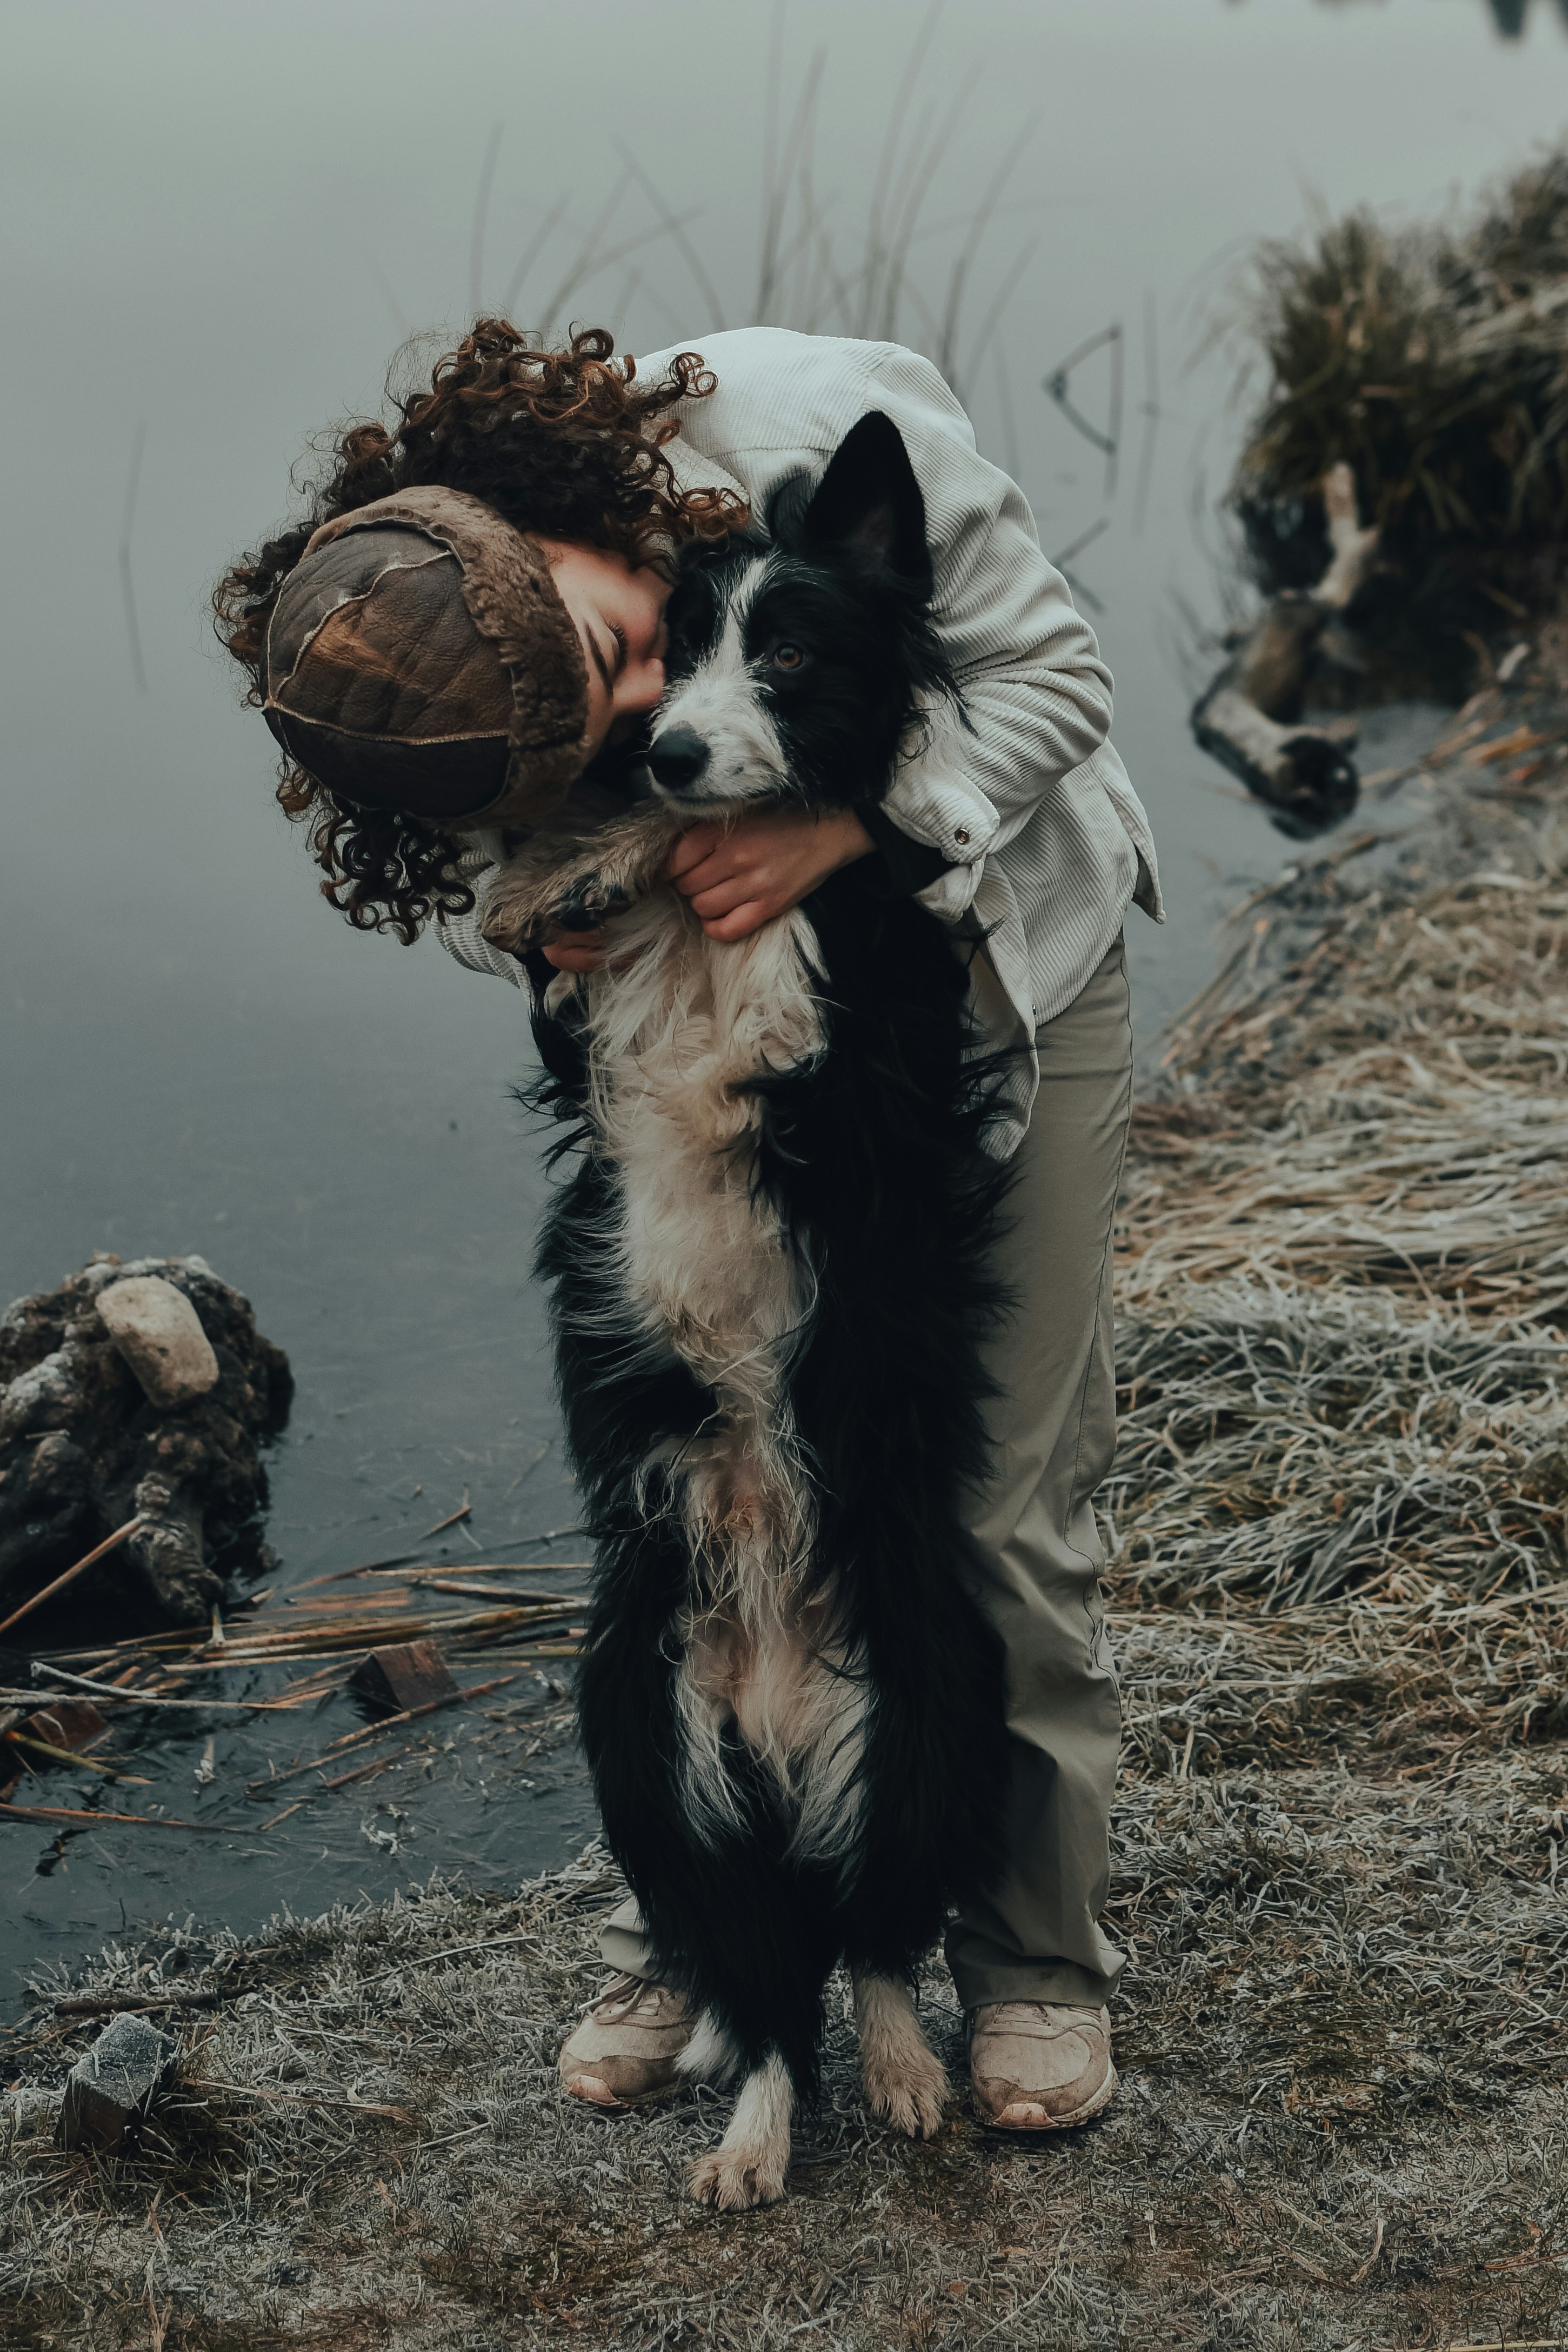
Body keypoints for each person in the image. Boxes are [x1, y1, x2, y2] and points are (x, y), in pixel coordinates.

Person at [217, 318, 1162, 2133]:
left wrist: (843, 826)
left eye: (604, 651)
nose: (633, 710)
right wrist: (537, 919)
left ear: (534, 530)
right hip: (737, 1006)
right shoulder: (482, 647)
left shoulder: (810, 415)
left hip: (997, 946)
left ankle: (1031, 1965)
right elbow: (573, 831)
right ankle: (706, 1929)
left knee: (996, 1497)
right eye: (584, 724)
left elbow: (1060, 677)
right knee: (683, 1517)